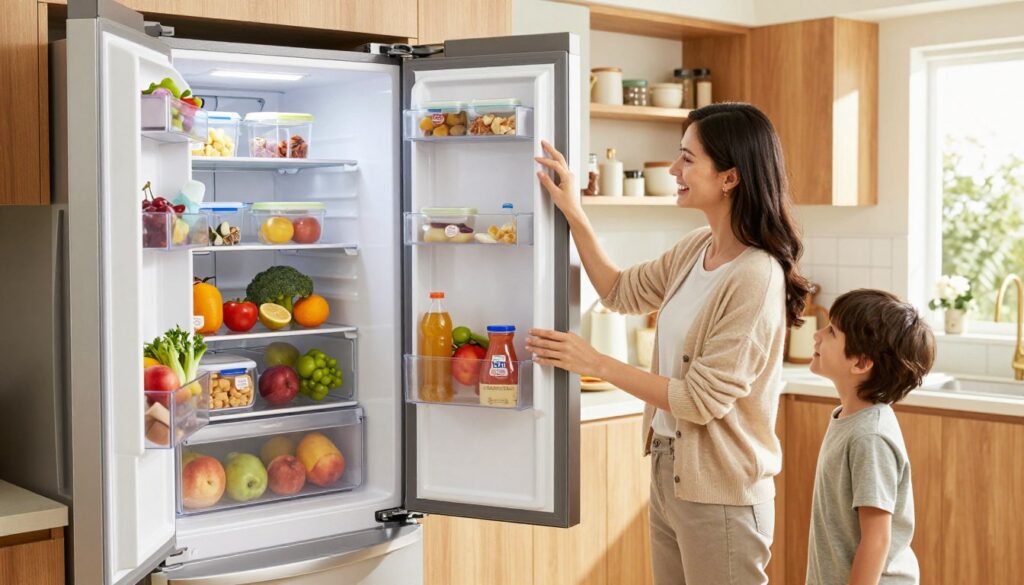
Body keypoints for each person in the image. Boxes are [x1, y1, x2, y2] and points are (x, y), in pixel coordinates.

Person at [527, 102, 810, 584]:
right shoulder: (697, 247)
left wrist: (595, 361)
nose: (675, 170)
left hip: (721, 491)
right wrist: (573, 210)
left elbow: (698, 401)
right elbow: (619, 291)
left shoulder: (756, 276)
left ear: (729, 178)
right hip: (668, 468)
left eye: (687, 159)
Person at [805, 289, 935, 585]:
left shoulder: (870, 437)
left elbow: (876, 540)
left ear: (861, 364)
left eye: (832, 331)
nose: (817, 335)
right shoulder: (849, 418)